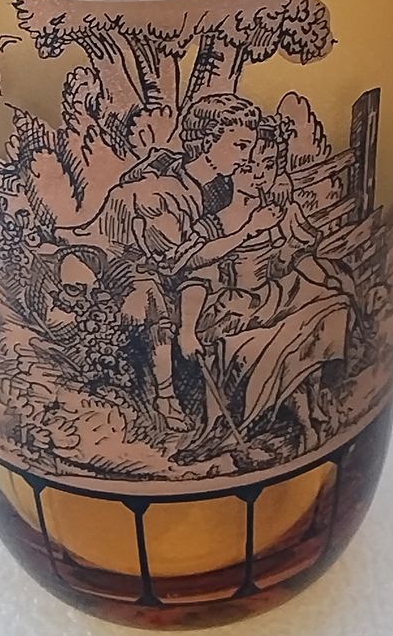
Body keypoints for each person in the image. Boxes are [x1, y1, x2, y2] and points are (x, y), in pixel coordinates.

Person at [56, 94, 262, 430]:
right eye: (239, 145)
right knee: (152, 299)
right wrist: (247, 230)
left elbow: (198, 257)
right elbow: (177, 261)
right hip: (110, 257)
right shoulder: (161, 190)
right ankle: (165, 400)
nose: (246, 157)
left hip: (158, 261)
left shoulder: (216, 189)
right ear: (208, 140)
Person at [173, 114, 356, 454]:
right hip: (234, 309)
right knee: (272, 342)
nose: (258, 175)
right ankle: (291, 423)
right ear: (233, 170)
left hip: (277, 297)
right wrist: (187, 330)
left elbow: (299, 258)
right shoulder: (215, 224)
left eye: (268, 165)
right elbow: (194, 275)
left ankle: (312, 412)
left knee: (329, 309)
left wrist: (328, 280)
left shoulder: (281, 213)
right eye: (248, 167)